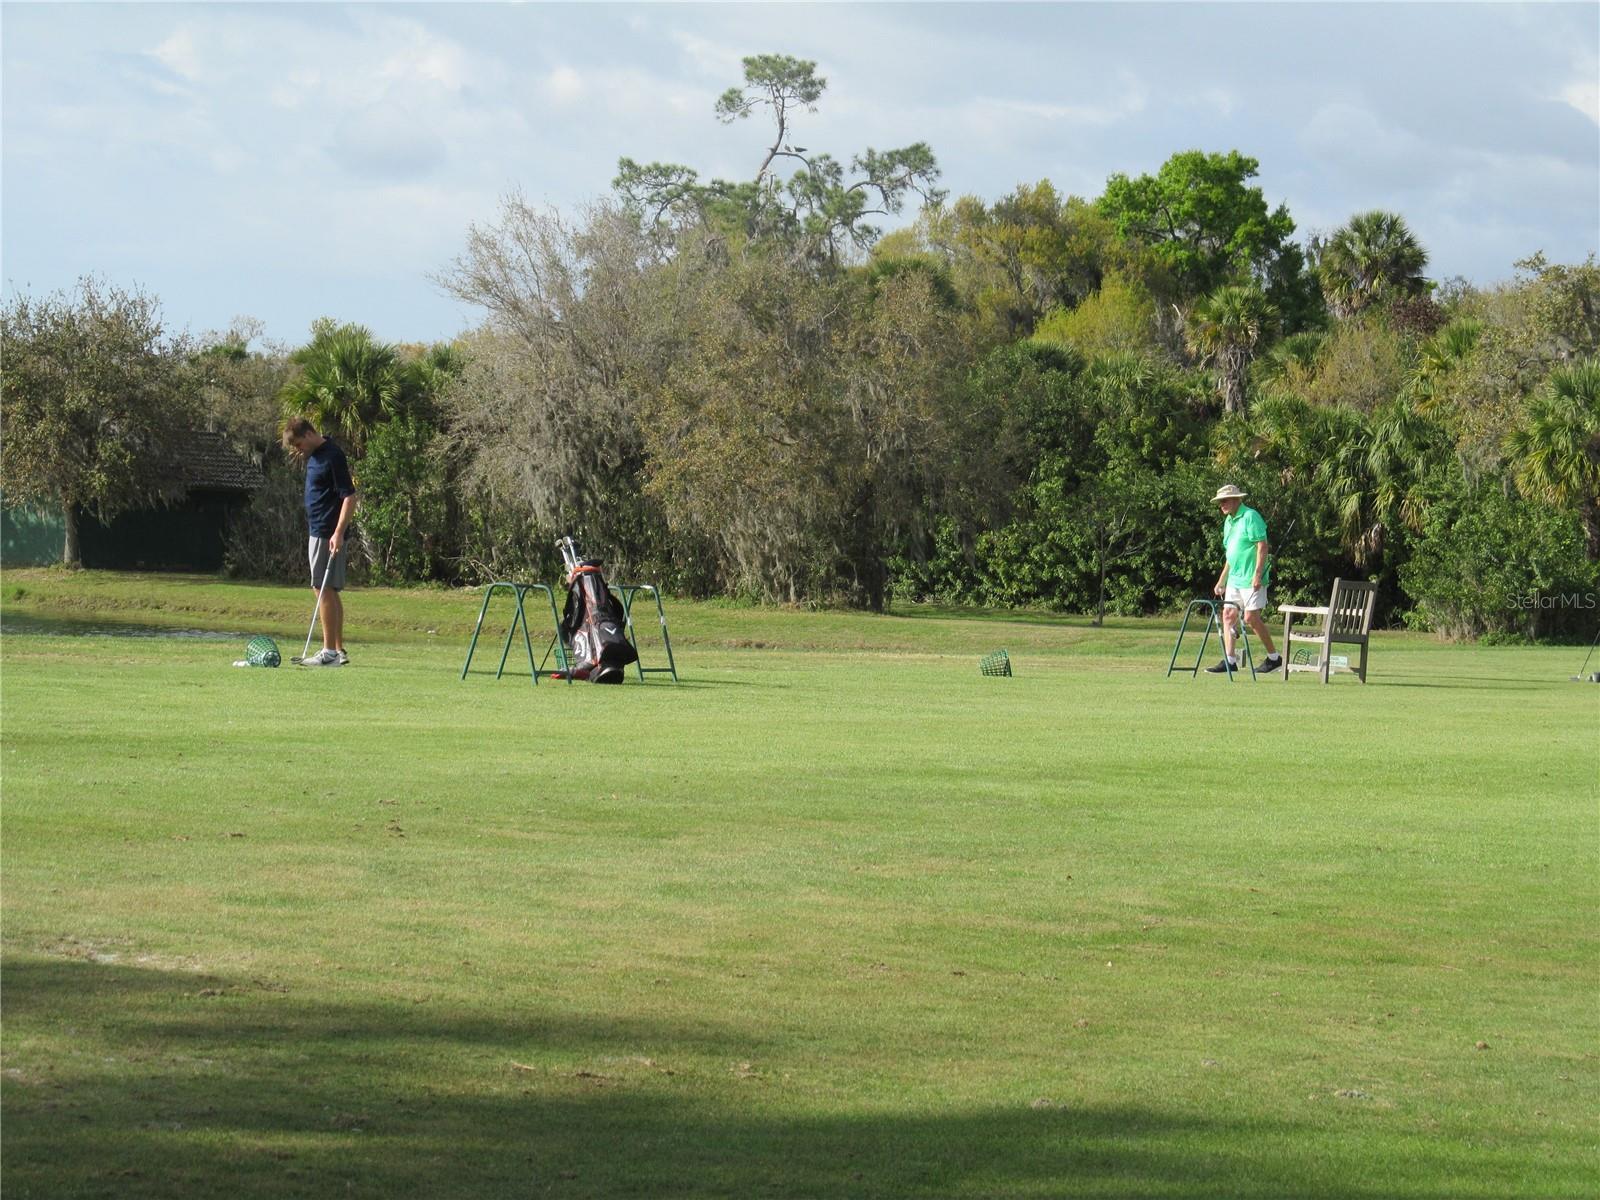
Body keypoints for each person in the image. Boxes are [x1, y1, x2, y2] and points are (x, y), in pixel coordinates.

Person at [282, 417, 357, 667]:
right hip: (318, 530)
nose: (298, 450)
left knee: (321, 587)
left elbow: (349, 497)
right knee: (329, 589)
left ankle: (328, 653)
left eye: (299, 444)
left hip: (327, 532)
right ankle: (338, 650)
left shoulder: (332, 455)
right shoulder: (315, 456)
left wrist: (338, 532)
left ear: (309, 434)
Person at [1206, 484, 1282, 675]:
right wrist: (1222, 580)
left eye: (1225, 500)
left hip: (1251, 579)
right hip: (1234, 579)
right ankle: (1230, 661)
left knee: (1250, 618)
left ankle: (1274, 658)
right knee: (1228, 615)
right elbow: (1231, 555)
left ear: (1236, 499)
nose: (1221, 504)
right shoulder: (1228, 522)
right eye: (1220, 501)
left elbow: (1262, 547)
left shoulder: (1250, 516)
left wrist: (1257, 575)